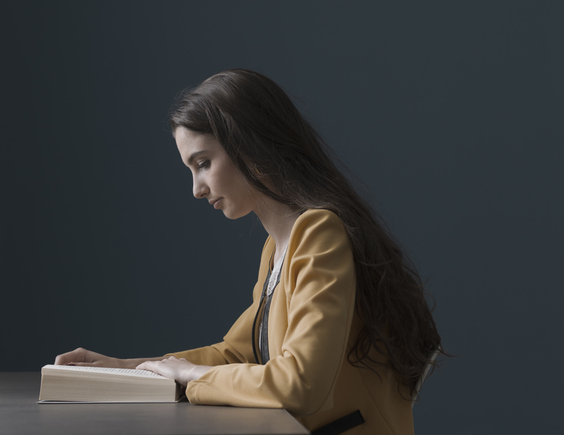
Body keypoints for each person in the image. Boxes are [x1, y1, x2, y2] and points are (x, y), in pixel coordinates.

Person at [55, 69, 444, 435]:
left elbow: (299, 384)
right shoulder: (276, 249)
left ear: (250, 145)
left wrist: (190, 376)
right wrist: (129, 370)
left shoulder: (319, 232)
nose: (197, 189)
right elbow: (236, 353)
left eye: (204, 163)